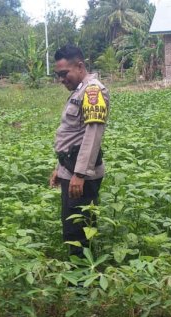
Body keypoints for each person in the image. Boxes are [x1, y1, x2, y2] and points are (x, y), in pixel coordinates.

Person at [49, 45, 110, 258]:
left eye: (64, 74)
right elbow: (71, 135)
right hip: (70, 169)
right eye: (58, 75)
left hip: (81, 174)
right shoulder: (79, 91)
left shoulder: (93, 91)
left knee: (79, 231)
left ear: (80, 66)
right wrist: (60, 168)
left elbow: (92, 135)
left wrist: (79, 174)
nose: (61, 79)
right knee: (71, 227)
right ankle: (77, 277)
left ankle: (81, 283)